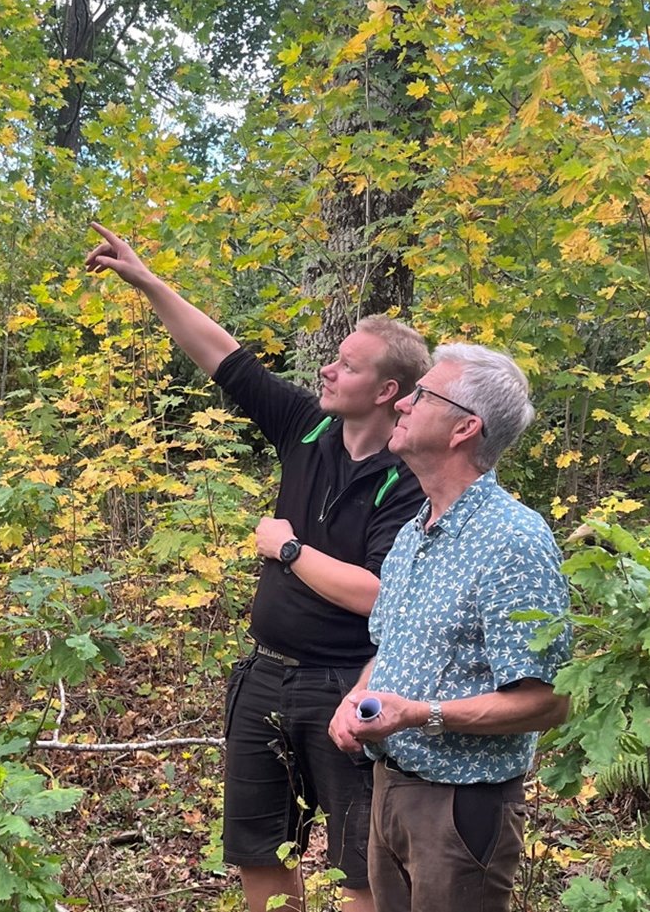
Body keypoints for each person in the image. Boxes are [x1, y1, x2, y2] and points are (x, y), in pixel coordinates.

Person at [85, 222, 431, 912]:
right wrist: (149, 282)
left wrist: (288, 548)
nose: (329, 369)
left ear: (389, 389)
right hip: (265, 673)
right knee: (258, 852)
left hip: (349, 686)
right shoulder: (306, 425)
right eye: (334, 358)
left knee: (361, 867)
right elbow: (224, 355)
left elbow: (379, 596)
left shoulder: (411, 477)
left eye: (348, 364)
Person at [327, 343, 572, 912]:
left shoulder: (513, 540)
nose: (404, 404)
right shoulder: (415, 532)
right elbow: (388, 649)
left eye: (422, 395)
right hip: (390, 789)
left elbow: (549, 701)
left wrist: (420, 715)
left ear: (465, 427)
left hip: (461, 807)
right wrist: (360, 695)